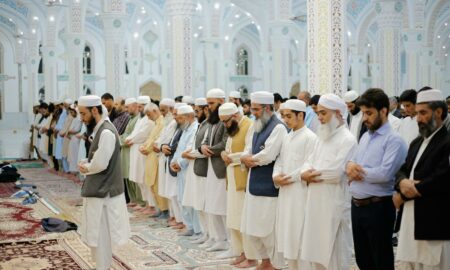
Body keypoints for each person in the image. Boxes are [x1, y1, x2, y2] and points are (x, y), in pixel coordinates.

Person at [346, 88, 407, 270]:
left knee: (381, 260)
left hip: (379, 207)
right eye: (364, 113)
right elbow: (351, 164)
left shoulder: (394, 140)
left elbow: (384, 174)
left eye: (369, 113)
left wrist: (357, 172)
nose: (365, 118)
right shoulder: (365, 136)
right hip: (357, 207)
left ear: (384, 111)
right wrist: (351, 168)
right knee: (363, 260)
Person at [394, 89, 450, 270]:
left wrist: (405, 194)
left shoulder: (446, 142)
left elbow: (443, 178)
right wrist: (402, 183)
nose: (418, 118)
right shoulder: (416, 143)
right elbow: (402, 170)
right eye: (417, 113)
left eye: (423, 113)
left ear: (438, 112)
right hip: (410, 221)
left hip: (434, 224)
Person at [300, 93, 357, 270]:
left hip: (334, 204)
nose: (319, 117)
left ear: (339, 113)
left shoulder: (348, 139)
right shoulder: (321, 137)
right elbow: (307, 162)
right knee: (316, 250)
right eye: (318, 113)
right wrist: (304, 173)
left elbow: (336, 173)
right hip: (315, 203)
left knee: (335, 253)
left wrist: (310, 175)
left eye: (324, 113)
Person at [77, 95, 130, 270]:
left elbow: (100, 164)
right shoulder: (101, 129)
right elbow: (98, 158)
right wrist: (87, 162)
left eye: (83, 114)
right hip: (100, 190)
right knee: (98, 237)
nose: (81, 118)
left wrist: (87, 167)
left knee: (101, 238)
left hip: (104, 193)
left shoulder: (106, 131)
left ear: (94, 110)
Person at [240, 91, 288, 270]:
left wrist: (249, 159)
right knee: (251, 228)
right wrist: (246, 157)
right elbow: (247, 148)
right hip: (253, 184)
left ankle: (275, 264)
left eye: (256, 109)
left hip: (268, 187)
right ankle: (265, 261)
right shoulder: (256, 125)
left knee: (268, 229)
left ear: (267, 108)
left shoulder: (279, 127)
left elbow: (268, 155)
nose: (253, 112)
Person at [273, 99, 317, 270]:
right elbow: (279, 160)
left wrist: (288, 178)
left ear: (301, 115)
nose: (285, 119)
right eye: (283, 116)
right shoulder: (287, 136)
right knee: (288, 236)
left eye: (289, 116)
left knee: (300, 237)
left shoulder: (311, 138)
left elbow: (308, 165)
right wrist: (276, 176)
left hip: (300, 193)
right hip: (285, 193)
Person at [218, 103, 257, 266]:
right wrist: (223, 153)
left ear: (234, 116)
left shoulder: (250, 126)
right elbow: (227, 149)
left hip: (242, 175)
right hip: (232, 176)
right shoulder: (233, 128)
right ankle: (241, 252)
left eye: (226, 121)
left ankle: (252, 256)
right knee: (233, 218)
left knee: (243, 218)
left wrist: (230, 157)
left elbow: (249, 152)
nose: (225, 125)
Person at [199, 88, 229, 252]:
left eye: (211, 103)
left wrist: (209, 149)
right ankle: (216, 237)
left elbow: (226, 142)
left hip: (220, 168)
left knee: (222, 205)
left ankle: (226, 240)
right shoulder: (211, 119)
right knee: (211, 203)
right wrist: (203, 146)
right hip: (210, 167)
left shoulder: (227, 119)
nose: (208, 106)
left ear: (221, 102)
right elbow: (204, 139)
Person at [170, 105, 201, 237]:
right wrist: (173, 162)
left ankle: (197, 229)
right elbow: (179, 149)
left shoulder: (195, 129)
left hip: (189, 169)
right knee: (183, 198)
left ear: (189, 117)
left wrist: (180, 163)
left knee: (191, 200)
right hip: (181, 170)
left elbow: (189, 149)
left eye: (181, 118)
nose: (178, 120)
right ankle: (189, 226)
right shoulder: (185, 129)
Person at [187, 98, 211, 244]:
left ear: (205, 109)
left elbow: (205, 148)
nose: (195, 114)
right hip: (197, 168)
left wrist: (191, 154)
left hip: (205, 169)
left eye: (197, 111)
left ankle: (212, 236)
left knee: (205, 205)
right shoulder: (201, 124)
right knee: (199, 204)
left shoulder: (209, 125)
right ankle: (206, 234)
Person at [126, 96, 155, 211]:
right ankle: (147, 204)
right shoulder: (140, 118)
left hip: (142, 150)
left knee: (144, 179)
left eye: (140, 107)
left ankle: (151, 205)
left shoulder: (149, 120)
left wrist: (131, 140)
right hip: (135, 150)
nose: (138, 109)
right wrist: (129, 138)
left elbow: (143, 134)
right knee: (139, 180)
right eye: (138, 106)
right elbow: (134, 132)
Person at [139, 103, 168, 217]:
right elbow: (151, 138)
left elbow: (157, 140)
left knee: (157, 184)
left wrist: (146, 148)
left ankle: (164, 210)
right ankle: (160, 208)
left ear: (155, 111)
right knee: (152, 184)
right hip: (150, 157)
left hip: (155, 156)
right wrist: (144, 146)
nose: (148, 117)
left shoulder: (162, 123)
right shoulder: (156, 123)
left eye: (149, 114)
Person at [120, 98, 140, 205]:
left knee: (132, 175)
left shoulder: (138, 119)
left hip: (131, 150)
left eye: (128, 107)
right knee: (127, 175)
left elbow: (131, 137)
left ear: (135, 106)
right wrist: (121, 139)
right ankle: (133, 199)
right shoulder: (131, 118)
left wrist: (121, 139)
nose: (126, 109)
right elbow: (125, 134)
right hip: (125, 150)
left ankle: (137, 200)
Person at [67, 105, 83, 174]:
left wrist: (69, 131)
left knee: (76, 154)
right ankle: (73, 169)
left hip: (76, 139)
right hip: (72, 138)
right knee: (72, 154)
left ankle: (77, 169)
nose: (71, 114)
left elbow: (77, 130)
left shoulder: (79, 119)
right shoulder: (74, 119)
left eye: (72, 112)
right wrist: (69, 132)